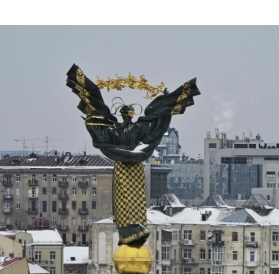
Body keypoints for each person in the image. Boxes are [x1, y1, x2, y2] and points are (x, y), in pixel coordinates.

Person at [66, 64, 200, 245]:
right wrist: (93, 117)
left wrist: (166, 105)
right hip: (125, 167)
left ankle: (134, 227)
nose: (128, 116)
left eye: (129, 113)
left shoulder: (137, 128)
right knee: (124, 199)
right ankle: (127, 230)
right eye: (126, 113)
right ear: (123, 114)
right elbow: (102, 134)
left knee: (135, 198)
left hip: (133, 167)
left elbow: (155, 127)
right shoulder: (118, 131)